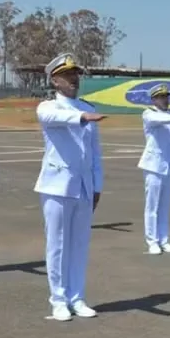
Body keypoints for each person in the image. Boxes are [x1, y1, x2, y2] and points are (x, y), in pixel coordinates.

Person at [34, 53, 106, 321]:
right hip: (57, 186)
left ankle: (77, 297)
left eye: (76, 74)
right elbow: (57, 118)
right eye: (67, 75)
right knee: (58, 245)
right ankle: (58, 299)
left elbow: (95, 152)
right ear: (55, 80)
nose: (74, 79)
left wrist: (97, 185)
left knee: (79, 245)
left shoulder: (88, 106)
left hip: (84, 186)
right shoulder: (48, 107)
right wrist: (83, 117)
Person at [138, 84, 170, 254]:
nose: (166, 100)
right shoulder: (148, 113)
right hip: (153, 166)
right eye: (161, 97)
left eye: (167, 97)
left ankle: (164, 239)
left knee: (165, 206)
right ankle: (152, 241)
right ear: (154, 99)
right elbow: (156, 120)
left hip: (168, 166)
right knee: (152, 205)